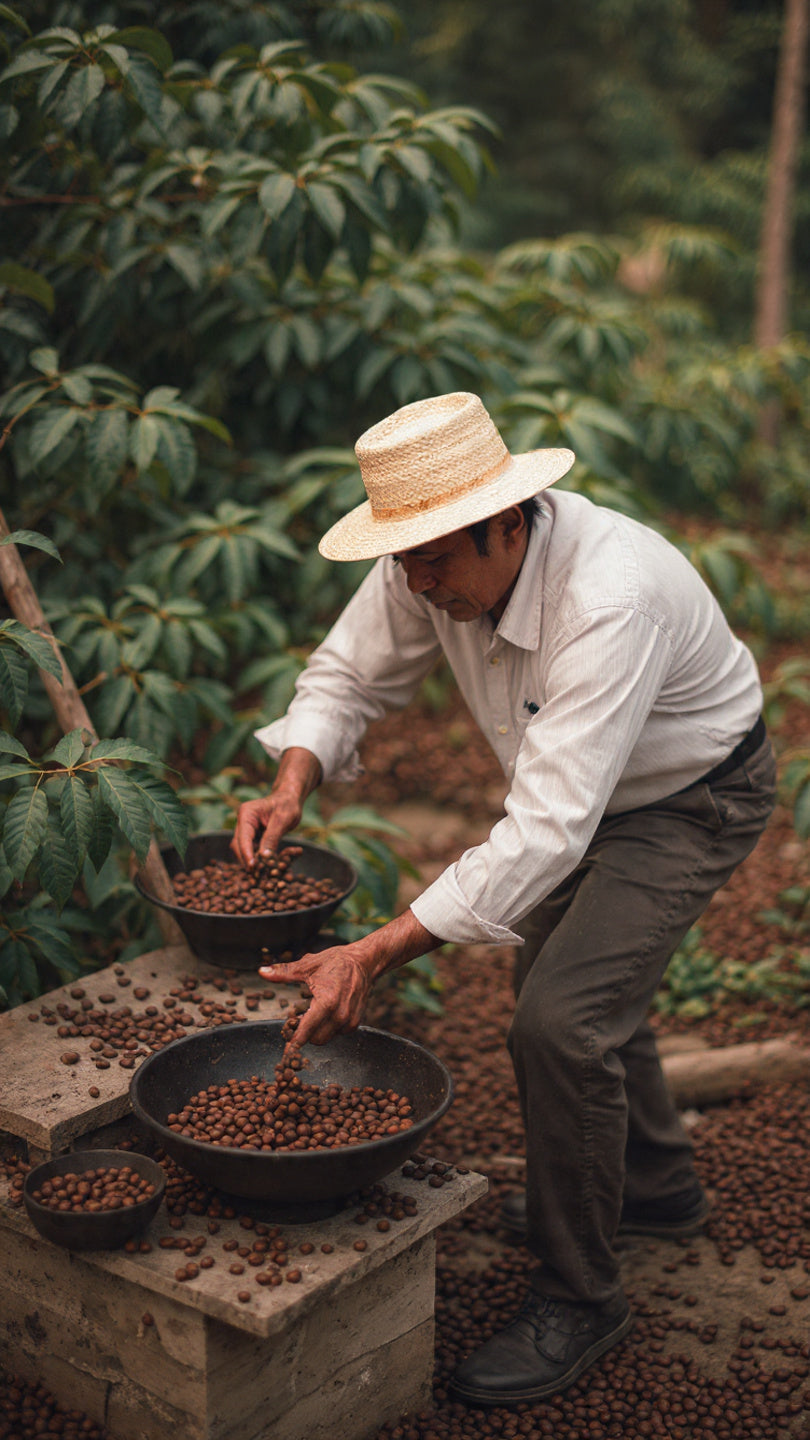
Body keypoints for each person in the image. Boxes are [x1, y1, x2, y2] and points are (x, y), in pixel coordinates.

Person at [232, 391, 776, 1406]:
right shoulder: (428, 561)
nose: (419, 585)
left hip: (689, 797)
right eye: (407, 561)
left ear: (511, 522)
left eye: (436, 561)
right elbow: (347, 674)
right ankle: (655, 1186)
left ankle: (583, 1294)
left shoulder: (608, 597)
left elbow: (547, 830)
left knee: (560, 1023)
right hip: (588, 795)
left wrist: (377, 949)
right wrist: (293, 779)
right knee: (574, 981)